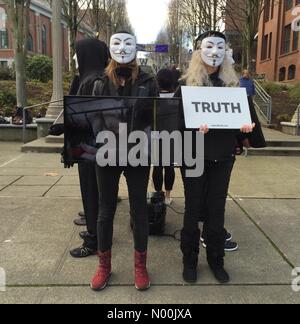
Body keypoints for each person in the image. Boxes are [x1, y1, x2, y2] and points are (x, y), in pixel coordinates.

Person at [175, 31, 255, 284]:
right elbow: (175, 123)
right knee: (192, 209)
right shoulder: (186, 85)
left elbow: (238, 120)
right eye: (209, 47)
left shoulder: (232, 86)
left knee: (216, 211)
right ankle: (190, 261)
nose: (215, 52)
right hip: (194, 156)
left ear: (226, 52)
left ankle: (216, 260)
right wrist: (192, 127)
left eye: (221, 47)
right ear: (199, 52)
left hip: (222, 156)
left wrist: (243, 128)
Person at [90, 31, 159, 292]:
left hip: (137, 153)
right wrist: (101, 141)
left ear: (135, 48)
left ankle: (140, 266)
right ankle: (104, 266)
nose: (122, 48)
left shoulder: (148, 80)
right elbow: (92, 115)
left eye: (127, 43)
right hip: (107, 153)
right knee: (105, 210)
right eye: (116, 43)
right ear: (110, 48)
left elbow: (154, 117)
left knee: (139, 210)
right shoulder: (99, 82)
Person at [68, 38, 110, 258]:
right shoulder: (96, 78)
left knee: (91, 192)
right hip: (96, 147)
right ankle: (96, 232)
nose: (75, 59)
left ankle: (93, 238)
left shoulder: (90, 81)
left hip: (89, 148)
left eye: (77, 54)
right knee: (97, 194)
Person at [152, 68, 176, 206]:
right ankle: (167, 195)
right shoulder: (177, 97)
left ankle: (158, 193)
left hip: (156, 135)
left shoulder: (153, 97)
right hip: (172, 136)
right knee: (169, 166)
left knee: (157, 167)